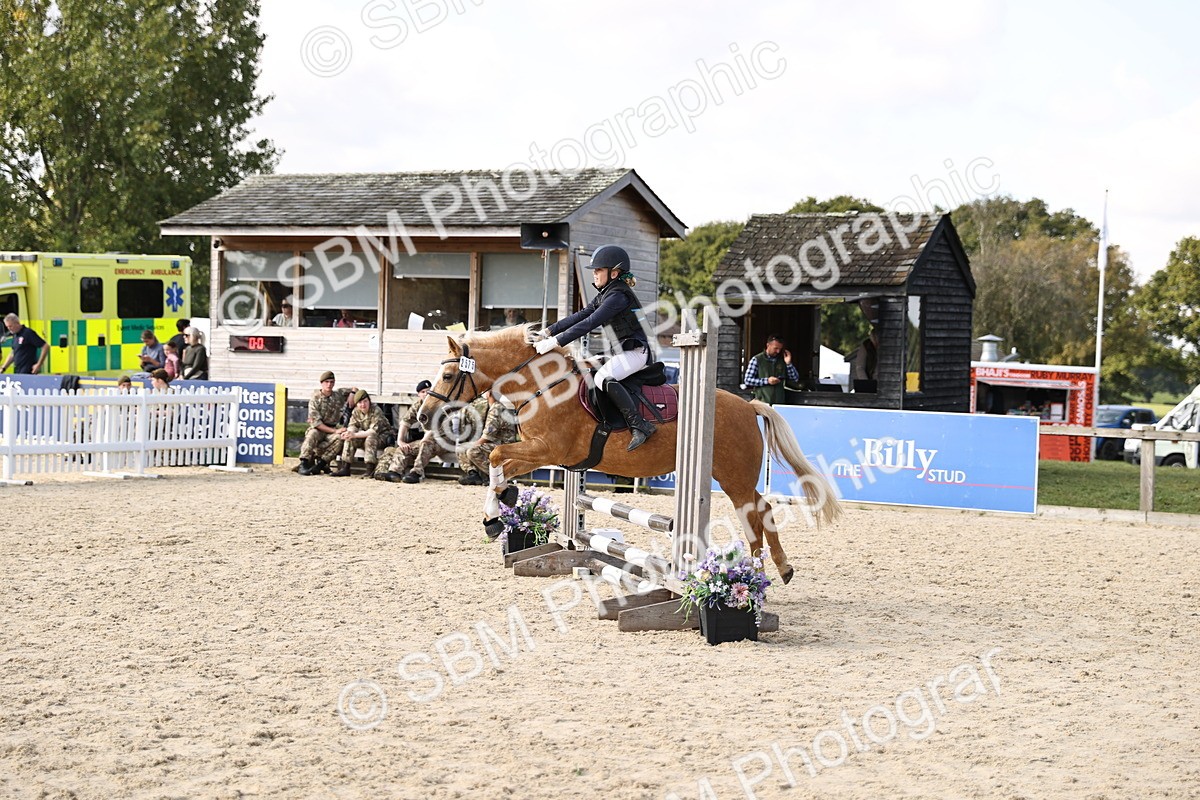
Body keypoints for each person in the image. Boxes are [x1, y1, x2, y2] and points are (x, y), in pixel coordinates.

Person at [533, 244, 656, 451]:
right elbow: (580, 315)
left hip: (636, 353)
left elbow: (590, 322)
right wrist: (547, 331)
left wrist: (555, 342)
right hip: (621, 351)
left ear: (614, 273)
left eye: (599, 270)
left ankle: (639, 425)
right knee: (580, 369)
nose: (595, 274)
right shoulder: (606, 294)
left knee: (602, 378)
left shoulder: (618, 296)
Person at [298, 370, 354, 476]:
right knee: (312, 434)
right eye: (327, 382)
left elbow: (354, 389)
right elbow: (316, 423)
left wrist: (352, 394)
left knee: (340, 438)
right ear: (321, 383)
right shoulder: (315, 398)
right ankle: (303, 463)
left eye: (332, 382)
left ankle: (321, 464)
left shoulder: (338, 394)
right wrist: (335, 430)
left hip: (331, 430)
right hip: (319, 429)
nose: (329, 384)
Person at [457, 391, 519, 485]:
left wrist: (473, 445)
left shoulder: (496, 409)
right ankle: (474, 474)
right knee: (461, 448)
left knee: (473, 451)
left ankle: (496, 476)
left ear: (489, 394)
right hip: (497, 445)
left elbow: (487, 437)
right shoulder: (495, 407)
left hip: (504, 447)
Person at [332, 389, 397, 478]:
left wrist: (354, 434)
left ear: (369, 401)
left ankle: (369, 469)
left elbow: (373, 431)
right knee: (349, 437)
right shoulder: (356, 411)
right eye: (360, 403)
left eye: (365, 401)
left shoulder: (376, 410)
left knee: (370, 437)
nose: (363, 405)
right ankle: (345, 468)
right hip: (365, 436)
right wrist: (349, 433)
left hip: (382, 437)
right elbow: (353, 425)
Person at [743, 334, 800, 405]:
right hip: (762, 403)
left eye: (780, 349)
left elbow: (795, 379)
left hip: (779, 403)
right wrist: (767, 381)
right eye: (775, 348)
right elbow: (747, 380)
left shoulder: (782, 360)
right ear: (768, 345)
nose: (778, 351)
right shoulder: (757, 359)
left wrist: (788, 364)